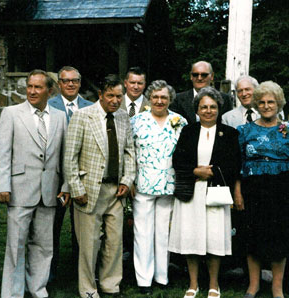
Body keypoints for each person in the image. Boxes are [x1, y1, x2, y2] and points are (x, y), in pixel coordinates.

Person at [0, 69, 70, 298]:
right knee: (16, 246)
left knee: (44, 246)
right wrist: (2, 185)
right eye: (29, 86)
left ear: (50, 90)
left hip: (49, 193)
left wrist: (65, 186)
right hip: (20, 190)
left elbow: (64, 156)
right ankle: (13, 293)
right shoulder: (11, 113)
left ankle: (38, 289)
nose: (32, 91)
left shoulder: (59, 116)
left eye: (38, 87)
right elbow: (2, 152)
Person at [64, 74, 136, 298]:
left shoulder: (123, 118)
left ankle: (110, 284)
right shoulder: (83, 116)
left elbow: (130, 152)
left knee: (114, 242)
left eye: (119, 96)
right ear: (101, 95)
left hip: (116, 190)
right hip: (89, 190)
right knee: (89, 244)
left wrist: (126, 180)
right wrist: (76, 189)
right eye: (111, 96)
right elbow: (70, 157)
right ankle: (88, 289)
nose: (115, 100)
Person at [235, 81, 289, 298]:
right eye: (262, 102)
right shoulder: (244, 130)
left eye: (271, 102)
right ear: (256, 104)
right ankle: (254, 285)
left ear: (279, 104)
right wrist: (237, 193)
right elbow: (237, 164)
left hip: (280, 189)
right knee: (252, 237)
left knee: (280, 238)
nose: (266, 106)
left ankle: (277, 288)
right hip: (252, 189)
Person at [169, 87, 241, 298]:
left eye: (212, 107)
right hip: (192, 192)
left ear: (219, 109)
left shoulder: (230, 134)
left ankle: (213, 284)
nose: (208, 111)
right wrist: (195, 171)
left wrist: (211, 172)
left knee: (214, 239)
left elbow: (235, 164)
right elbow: (178, 160)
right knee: (191, 238)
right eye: (204, 107)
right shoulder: (188, 131)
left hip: (216, 192)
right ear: (197, 110)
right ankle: (193, 284)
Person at [130, 80, 187, 295]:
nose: (159, 101)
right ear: (149, 98)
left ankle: (162, 276)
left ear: (170, 99)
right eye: (155, 97)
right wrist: (130, 180)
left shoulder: (179, 121)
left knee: (164, 233)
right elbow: (129, 152)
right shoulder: (137, 121)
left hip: (169, 185)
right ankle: (143, 279)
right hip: (143, 184)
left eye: (163, 97)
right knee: (143, 233)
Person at [48, 66, 93, 281]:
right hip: (55, 178)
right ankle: (49, 272)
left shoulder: (91, 107)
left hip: (83, 178)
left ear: (80, 83)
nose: (70, 84)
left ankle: (80, 272)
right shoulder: (49, 106)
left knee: (81, 230)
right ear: (59, 84)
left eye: (74, 80)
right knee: (52, 228)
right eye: (66, 81)